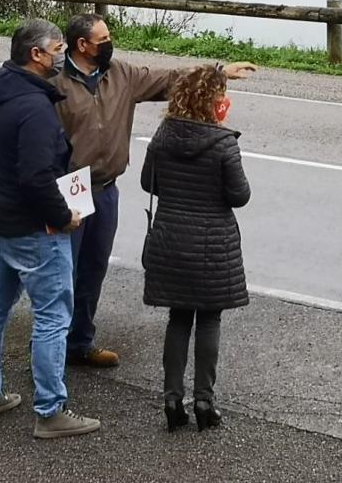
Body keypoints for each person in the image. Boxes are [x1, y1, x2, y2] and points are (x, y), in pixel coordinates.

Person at [53, 12, 256, 369]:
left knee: (93, 269)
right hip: (71, 186)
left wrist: (218, 72)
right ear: (82, 45)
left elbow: (170, 79)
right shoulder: (54, 82)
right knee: (61, 274)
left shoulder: (121, 74)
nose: (110, 43)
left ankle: (80, 343)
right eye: (103, 39)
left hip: (106, 186)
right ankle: (51, 352)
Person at [0, 18, 101, 440]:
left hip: (1, 221)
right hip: (36, 230)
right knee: (52, 317)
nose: (63, 54)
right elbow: (36, 176)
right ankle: (50, 410)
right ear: (37, 55)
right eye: (59, 48)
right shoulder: (36, 110)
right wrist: (64, 216)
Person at [141, 64, 250, 432]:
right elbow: (240, 195)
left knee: (178, 318)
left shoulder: (163, 135)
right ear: (212, 101)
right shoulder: (223, 143)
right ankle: (204, 400)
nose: (226, 101)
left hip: (170, 238)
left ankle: (172, 398)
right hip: (211, 245)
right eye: (222, 95)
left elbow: (147, 182)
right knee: (209, 319)